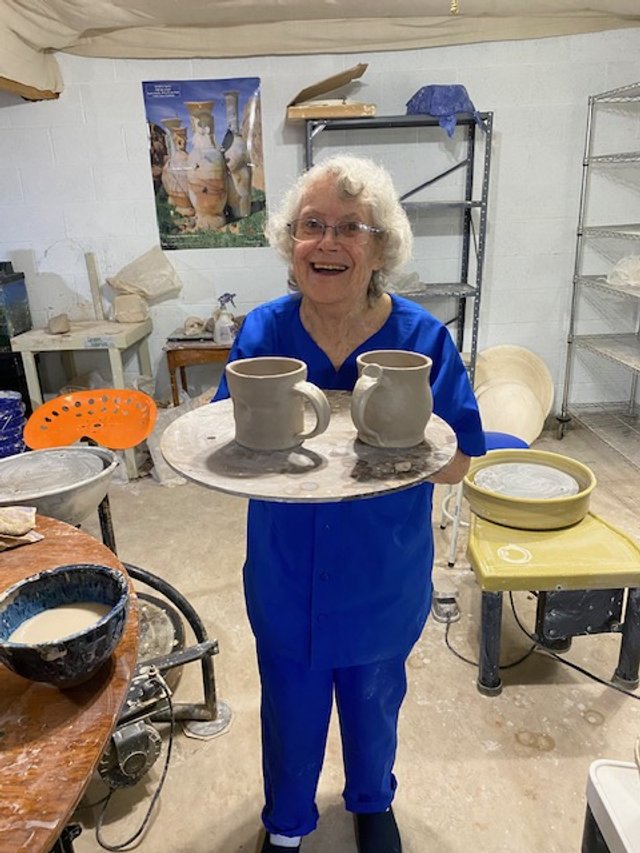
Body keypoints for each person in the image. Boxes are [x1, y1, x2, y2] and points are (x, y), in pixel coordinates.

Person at [213, 154, 485, 853]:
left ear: (381, 246)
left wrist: (407, 446)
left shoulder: (422, 341)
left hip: (380, 572)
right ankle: (287, 823)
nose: (327, 242)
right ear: (289, 242)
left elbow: (459, 461)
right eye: (311, 225)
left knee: (373, 699)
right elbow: (221, 437)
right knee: (290, 703)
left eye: (349, 227)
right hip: (286, 573)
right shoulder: (263, 334)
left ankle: (371, 799)